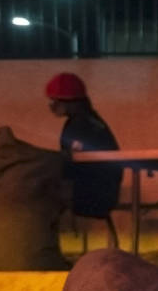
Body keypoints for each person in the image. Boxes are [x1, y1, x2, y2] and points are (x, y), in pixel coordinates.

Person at [45, 72, 122, 220]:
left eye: (55, 100)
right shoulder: (90, 121)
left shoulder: (80, 125)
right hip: (104, 191)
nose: (52, 106)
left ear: (71, 102)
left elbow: (71, 162)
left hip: (91, 194)